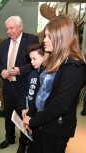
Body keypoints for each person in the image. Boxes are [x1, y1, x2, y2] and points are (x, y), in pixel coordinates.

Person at [23, 15, 86, 153]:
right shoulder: (53, 59)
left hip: (55, 128)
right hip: (40, 122)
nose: (44, 40)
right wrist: (31, 114)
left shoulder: (75, 67)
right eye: (45, 36)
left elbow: (60, 104)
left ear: (62, 38)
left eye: (49, 36)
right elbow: (40, 90)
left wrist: (33, 121)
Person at [0, 15, 39, 153]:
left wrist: (20, 70)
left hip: (23, 86)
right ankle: (10, 137)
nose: (9, 31)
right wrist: (2, 70)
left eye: (11, 28)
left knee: (23, 115)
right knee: (8, 114)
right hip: (8, 86)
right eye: (7, 29)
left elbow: (35, 63)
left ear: (20, 27)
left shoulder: (31, 40)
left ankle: (23, 142)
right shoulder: (3, 44)